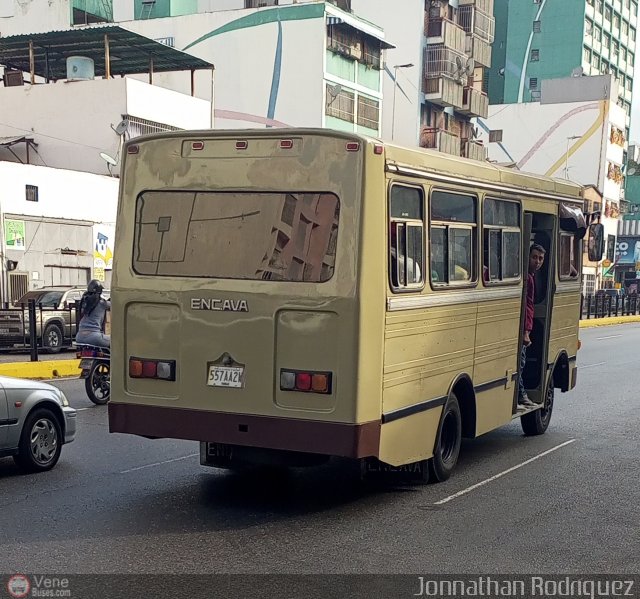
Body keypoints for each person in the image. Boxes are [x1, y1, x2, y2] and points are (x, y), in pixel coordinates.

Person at [519, 243, 546, 407]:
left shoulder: (532, 276)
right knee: (521, 363)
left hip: (525, 326)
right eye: (534, 257)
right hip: (523, 328)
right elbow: (527, 306)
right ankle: (521, 395)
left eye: (541, 258)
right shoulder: (527, 278)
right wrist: (526, 331)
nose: (537, 262)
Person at [76, 279, 111, 349]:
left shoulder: (84, 302)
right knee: (116, 341)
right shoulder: (102, 303)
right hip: (94, 337)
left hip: (79, 337)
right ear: (100, 291)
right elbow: (115, 305)